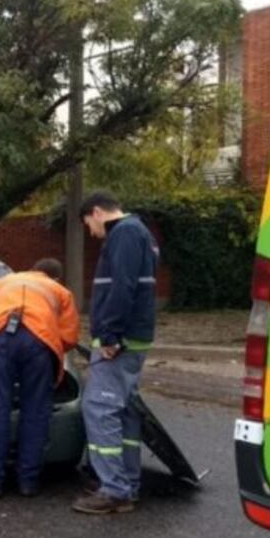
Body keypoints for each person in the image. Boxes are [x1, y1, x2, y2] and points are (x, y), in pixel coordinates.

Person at [73, 191, 159, 515]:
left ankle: (115, 490)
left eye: (87, 224)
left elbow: (123, 287)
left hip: (119, 339)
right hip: (134, 336)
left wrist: (109, 335)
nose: (91, 232)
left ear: (96, 212)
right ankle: (126, 482)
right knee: (123, 411)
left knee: (99, 408)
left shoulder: (123, 234)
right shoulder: (141, 233)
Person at [0, 258, 80, 499]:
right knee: (35, 411)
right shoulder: (60, 291)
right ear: (55, 278)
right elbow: (69, 337)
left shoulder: (3, 282)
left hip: (0, 338)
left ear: (32, 269)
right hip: (39, 342)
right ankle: (28, 482)